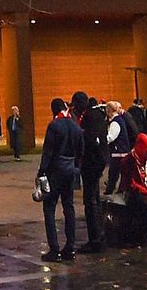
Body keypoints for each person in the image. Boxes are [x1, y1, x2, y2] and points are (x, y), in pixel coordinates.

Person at [37, 98, 82, 262]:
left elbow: (48, 152)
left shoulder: (54, 126)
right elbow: (80, 151)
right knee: (68, 207)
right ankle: (70, 247)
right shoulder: (75, 126)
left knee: (49, 208)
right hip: (71, 170)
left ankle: (54, 248)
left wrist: (41, 172)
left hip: (55, 171)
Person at [73, 91, 108, 253]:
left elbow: (90, 140)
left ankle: (95, 239)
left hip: (91, 164)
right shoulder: (96, 115)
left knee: (91, 201)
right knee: (94, 200)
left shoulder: (90, 117)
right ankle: (98, 236)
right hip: (95, 163)